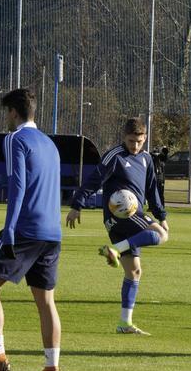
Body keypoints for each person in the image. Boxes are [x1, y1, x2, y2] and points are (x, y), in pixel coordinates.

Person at [0, 88, 64, 371]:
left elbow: (17, 184)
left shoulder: (15, 139)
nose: (5, 118)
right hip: (52, 232)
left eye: (5, 112)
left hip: (24, 230)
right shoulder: (50, 143)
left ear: (13, 112)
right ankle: (51, 367)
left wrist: (9, 228)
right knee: (46, 302)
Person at [67, 117, 169, 335]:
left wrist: (161, 215)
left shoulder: (147, 159)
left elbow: (152, 189)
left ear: (145, 138)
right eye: (132, 141)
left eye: (140, 141)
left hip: (132, 215)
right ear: (124, 137)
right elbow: (94, 180)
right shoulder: (115, 156)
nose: (135, 146)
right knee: (161, 236)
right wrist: (77, 204)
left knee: (134, 272)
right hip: (120, 214)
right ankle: (115, 249)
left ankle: (125, 323)